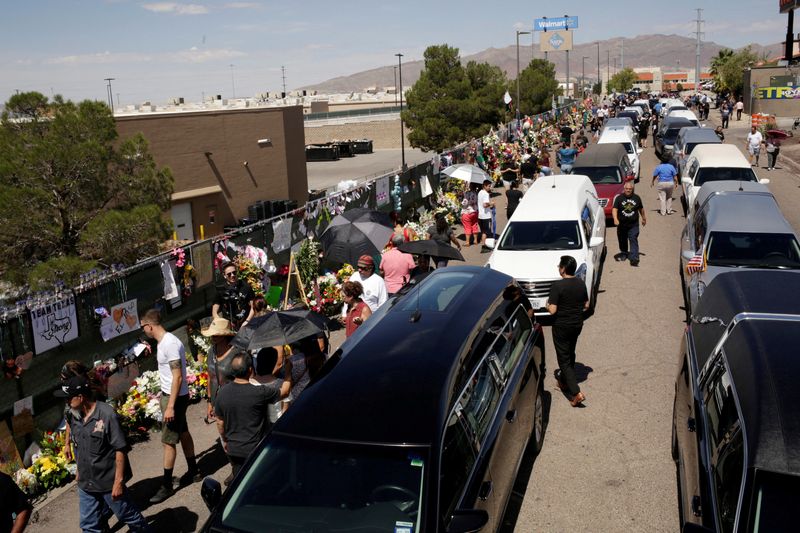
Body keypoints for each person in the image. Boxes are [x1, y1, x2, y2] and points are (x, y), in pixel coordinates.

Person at [54, 375, 151, 532]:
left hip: (108, 481)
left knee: (128, 516)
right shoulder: (73, 416)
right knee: (89, 525)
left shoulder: (107, 415)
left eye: (69, 398)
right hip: (86, 482)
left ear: (81, 397)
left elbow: (120, 449)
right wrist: (79, 469)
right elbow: (78, 443)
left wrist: (118, 482)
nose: (66, 402)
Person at [140, 309, 199, 504]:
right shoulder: (165, 342)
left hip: (175, 398)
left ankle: (166, 486)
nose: (144, 331)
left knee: (168, 442)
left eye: (143, 327)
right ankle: (194, 471)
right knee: (182, 433)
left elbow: (177, 376)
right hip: (174, 396)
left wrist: (170, 406)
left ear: (149, 325)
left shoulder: (169, 344)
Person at [214, 352, 291, 480]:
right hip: (256, 450)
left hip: (234, 450)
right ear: (250, 370)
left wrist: (225, 440)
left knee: (241, 481)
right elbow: (285, 392)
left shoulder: (222, 393)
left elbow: (219, 422)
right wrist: (288, 371)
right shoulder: (259, 392)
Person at [547, 256, 589, 407]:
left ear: (563, 269)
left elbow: (552, 310)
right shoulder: (580, 283)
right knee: (570, 352)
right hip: (577, 324)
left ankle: (576, 392)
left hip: (561, 326)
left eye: (559, 266)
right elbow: (586, 305)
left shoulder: (558, 286)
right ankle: (563, 382)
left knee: (563, 359)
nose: (559, 268)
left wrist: (547, 304)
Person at [202, 317, 237, 424]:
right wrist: (209, 402)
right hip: (217, 400)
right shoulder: (211, 351)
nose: (213, 336)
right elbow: (210, 377)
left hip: (234, 400)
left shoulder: (237, 353)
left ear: (225, 334)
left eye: (216, 334)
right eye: (212, 334)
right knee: (221, 427)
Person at [612, 182, 647, 267]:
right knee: (622, 240)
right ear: (624, 189)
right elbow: (614, 209)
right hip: (622, 225)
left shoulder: (636, 198)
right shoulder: (619, 198)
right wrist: (615, 219)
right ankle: (624, 253)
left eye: (630, 189)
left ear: (632, 189)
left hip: (633, 225)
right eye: (627, 189)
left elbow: (641, 209)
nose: (628, 190)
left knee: (633, 238)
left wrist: (644, 218)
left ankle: (634, 258)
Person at [212, 262, 255, 328]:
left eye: (234, 272)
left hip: (245, 323)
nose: (232, 275)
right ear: (224, 275)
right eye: (229, 274)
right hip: (229, 326)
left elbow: (253, 307)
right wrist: (220, 322)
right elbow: (214, 311)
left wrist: (247, 321)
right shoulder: (221, 289)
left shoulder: (245, 286)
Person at [477, 179, 495, 245]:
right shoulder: (486, 194)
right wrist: (491, 203)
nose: (490, 188)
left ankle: (483, 242)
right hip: (486, 216)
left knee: (483, 231)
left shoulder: (480, 192)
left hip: (480, 215)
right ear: (484, 186)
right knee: (487, 232)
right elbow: (485, 205)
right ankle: (485, 244)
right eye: (489, 186)